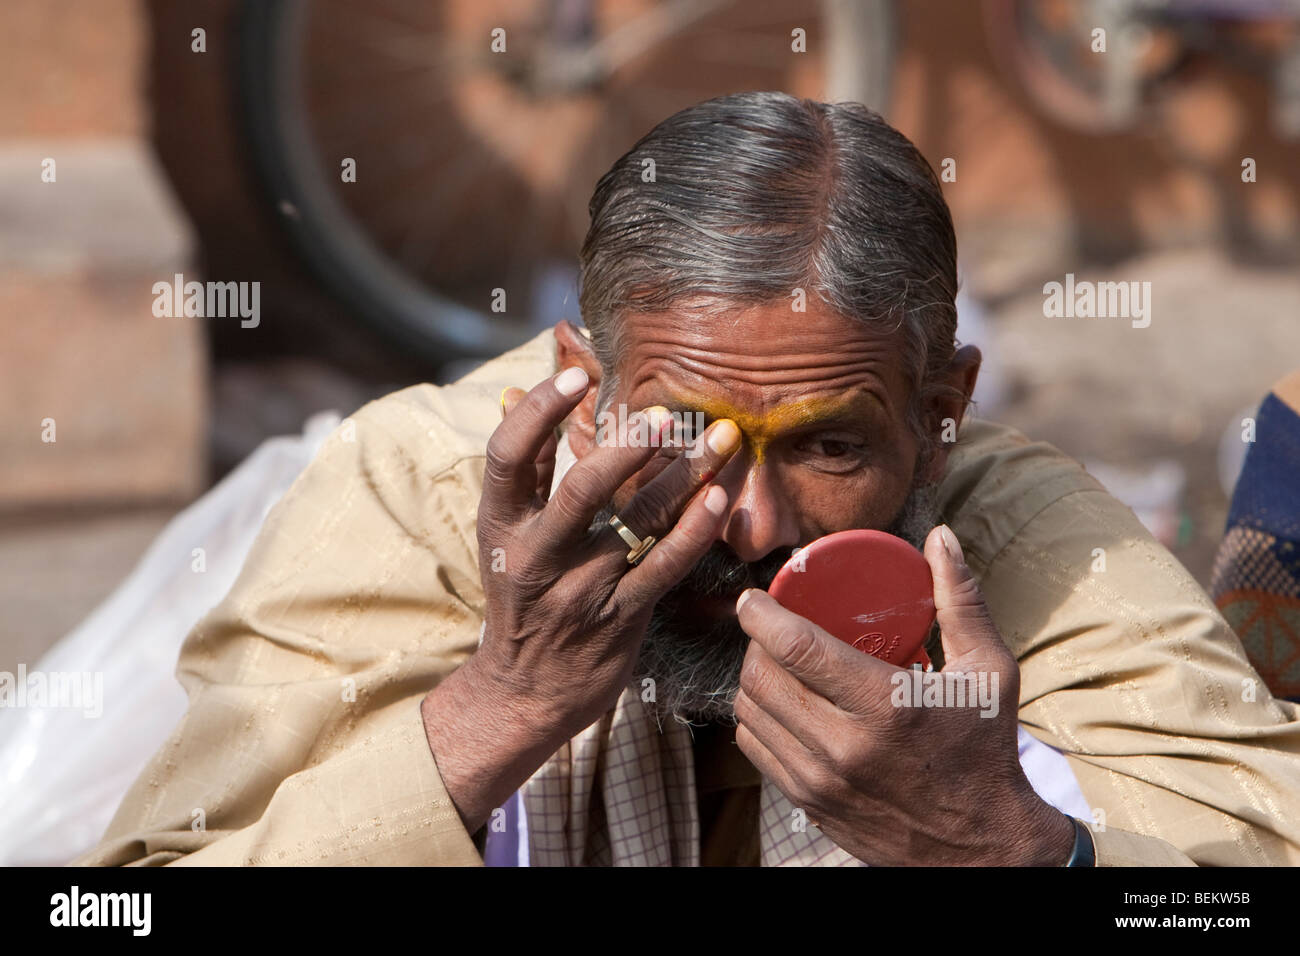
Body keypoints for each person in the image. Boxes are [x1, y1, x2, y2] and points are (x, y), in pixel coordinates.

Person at [77, 92, 1300, 867]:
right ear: (582, 382)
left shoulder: (1014, 531)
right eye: (681, 437)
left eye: (830, 445)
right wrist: (493, 711)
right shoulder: (424, 487)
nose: (754, 523)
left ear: (942, 413)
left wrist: (1015, 851)